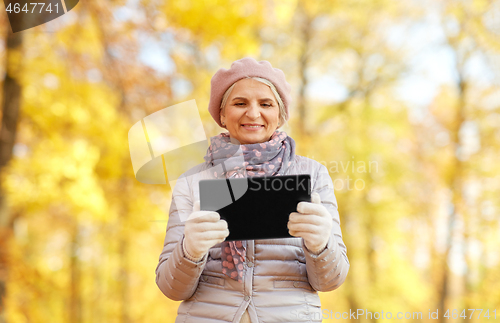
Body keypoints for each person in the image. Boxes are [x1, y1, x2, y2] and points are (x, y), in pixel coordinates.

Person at [155, 57, 349, 323]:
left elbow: (331, 281)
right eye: (240, 103)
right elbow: (171, 288)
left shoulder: (313, 175)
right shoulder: (191, 182)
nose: (253, 113)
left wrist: (321, 245)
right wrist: (190, 251)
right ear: (222, 115)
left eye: (266, 104)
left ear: (280, 115)